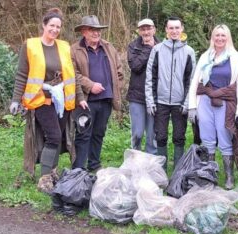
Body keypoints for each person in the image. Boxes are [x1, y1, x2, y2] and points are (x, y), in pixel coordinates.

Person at [9, 8, 88, 193]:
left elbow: (73, 75)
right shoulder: (30, 46)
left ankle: (52, 172)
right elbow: (22, 74)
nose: (55, 29)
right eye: (51, 25)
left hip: (61, 100)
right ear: (44, 25)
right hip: (41, 99)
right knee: (52, 136)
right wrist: (15, 100)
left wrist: (80, 98)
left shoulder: (64, 46)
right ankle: (44, 179)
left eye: (58, 26)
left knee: (57, 138)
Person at [188, 24, 238, 189]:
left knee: (224, 137)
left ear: (228, 38)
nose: (220, 38)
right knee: (207, 138)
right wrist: (192, 106)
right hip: (205, 101)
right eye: (217, 35)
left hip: (225, 102)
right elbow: (195, 82)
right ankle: (209, 175)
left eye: (223, 35)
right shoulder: (206, 56)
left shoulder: (235, 57)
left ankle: (229, 176)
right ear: (212, 38)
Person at [71, 15, 124, 172]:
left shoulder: (108, 47)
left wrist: (115, 88)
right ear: (83, 32)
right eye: (92, 30)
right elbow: (72, 74)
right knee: (83, 134)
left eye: (98, 30)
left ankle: (94, 164)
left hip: (106, 100)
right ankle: (79, 168)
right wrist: (90, 85)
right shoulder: (74, 50)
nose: (96, 33)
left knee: (99, 133)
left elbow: (119, 71)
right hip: (85, 100)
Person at [145, 16, 196, 171]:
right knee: (160, 137)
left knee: (179, 137)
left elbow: (191, 80)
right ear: (166, 30)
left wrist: (186, 103)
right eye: (171, 28)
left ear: (182, 30)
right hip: (160, 102)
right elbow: (150, 76)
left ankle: (178, 173)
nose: (174, 31)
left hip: (179, 103)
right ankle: (162, 170)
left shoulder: (189, 52)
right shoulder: (157, 50)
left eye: (177, 28)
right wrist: (150, 101)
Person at [127, 18, 159, 154]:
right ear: (139, 31)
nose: (146, 32)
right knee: (138, 133)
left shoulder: (162, 46)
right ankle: (135, 158)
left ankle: (151, 163)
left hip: (156, 96)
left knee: (152, 135)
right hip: (137, 96)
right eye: (143, 29)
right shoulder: (133, 46)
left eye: (148, 28)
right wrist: (147, 48)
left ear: (154, 29)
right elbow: (135, 66)